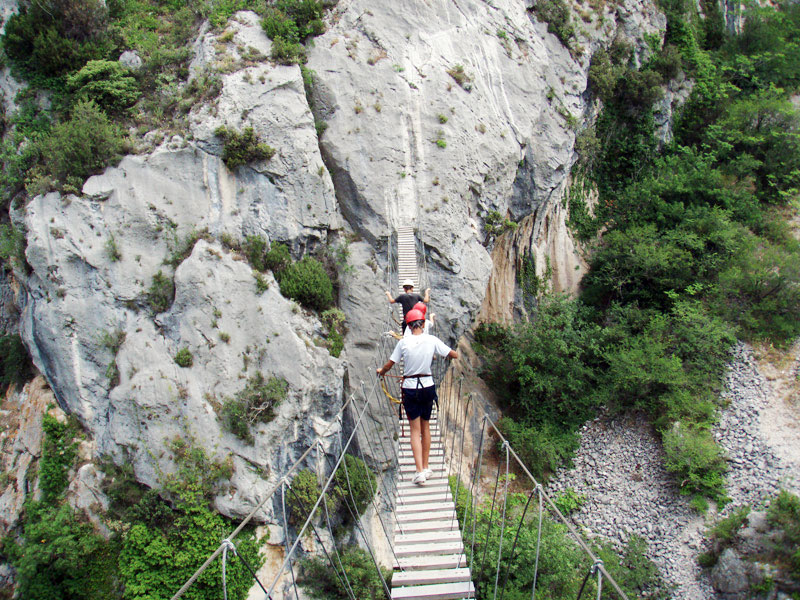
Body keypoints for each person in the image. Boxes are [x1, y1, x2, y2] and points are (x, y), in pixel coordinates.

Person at [377, 309, 458, 485]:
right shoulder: (431, 340)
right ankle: (426, 466)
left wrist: (381, 372)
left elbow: (390, 364)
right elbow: (454, 354)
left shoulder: (403, 343)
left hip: (410, 388)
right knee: (426, 427)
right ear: (423, 324)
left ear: (407, 325)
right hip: (428, 386)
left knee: (414, 430)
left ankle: (420, 471)